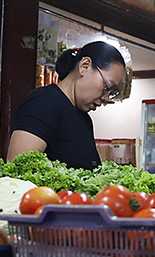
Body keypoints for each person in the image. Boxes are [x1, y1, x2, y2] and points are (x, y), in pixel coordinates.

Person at [7, 41, 126, 169]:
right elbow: (19, 162)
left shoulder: (84, 118)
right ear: (84, 66)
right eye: (107, 87)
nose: (106, 97)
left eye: (112, 92)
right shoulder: (43, 103)